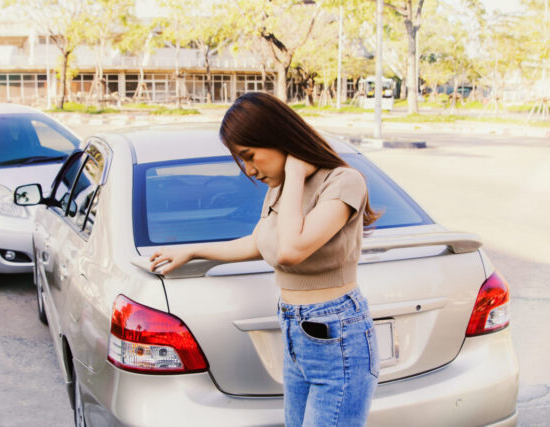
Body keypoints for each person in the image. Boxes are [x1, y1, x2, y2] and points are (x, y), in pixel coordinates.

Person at [150, 92, 382, 426]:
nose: (249, 169)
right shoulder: (282, 189)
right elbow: (260, 242)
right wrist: (193, 250)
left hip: (337, 334)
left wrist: (297, 174)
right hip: (295, 331)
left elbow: (290, 250)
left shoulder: (343, 182)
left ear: (278, 138)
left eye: (250, 155)